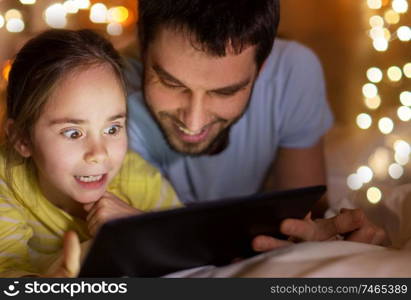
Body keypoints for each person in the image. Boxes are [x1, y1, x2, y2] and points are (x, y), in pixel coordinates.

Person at [125, 0, 387, 249]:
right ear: (142, 44)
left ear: (261, 69)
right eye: (171, 84)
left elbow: (307, 211)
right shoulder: (109, 90)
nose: (194, 121)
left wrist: (326, 232)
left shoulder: (292, 71)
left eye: (225, 92)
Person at [0, 29, 180, 277]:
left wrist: (137, 227)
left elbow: (189, 246)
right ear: (22, 138)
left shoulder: (138, 178)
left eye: (113, 128)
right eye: (73, 133)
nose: (99, 154)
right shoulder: (5, 183)